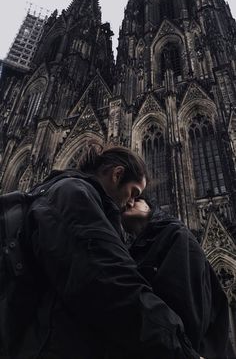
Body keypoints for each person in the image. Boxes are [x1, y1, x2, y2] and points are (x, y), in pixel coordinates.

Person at [14, 143, 199, 359]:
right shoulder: (74, 195)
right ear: (117, 174)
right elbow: (111, 283)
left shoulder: (59, 193)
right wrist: (182, 351)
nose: (131, 203)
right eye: (134, 193)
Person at [122, 197, 231, 359]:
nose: (129, 202)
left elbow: (189, 306)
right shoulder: (131, 251)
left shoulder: (175, 234)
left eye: (137, 198)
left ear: (149, 207)